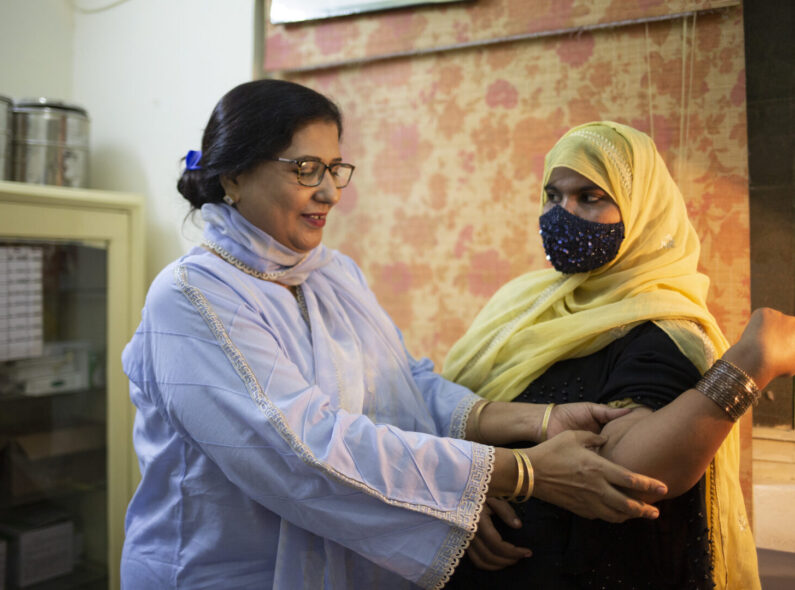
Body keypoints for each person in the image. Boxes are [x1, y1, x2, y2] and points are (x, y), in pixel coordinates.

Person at [120, 82, 793, 590]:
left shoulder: (327, 275)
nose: (329, 192)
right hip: (225, 572)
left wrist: (540, 419)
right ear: (232, 176)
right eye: (306, 170)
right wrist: (516, 475)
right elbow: (303, 449)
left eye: (335, 169)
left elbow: (404, 389)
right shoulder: (193, 297)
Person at [442, 121, 795, 589]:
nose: (562, 214)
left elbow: (627, 468)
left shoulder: (662, 328)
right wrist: (471, 483)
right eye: (553, 196)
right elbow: (451, 407)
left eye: (590, 196)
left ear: (643, 209)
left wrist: (751, 360)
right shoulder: (522, 302)